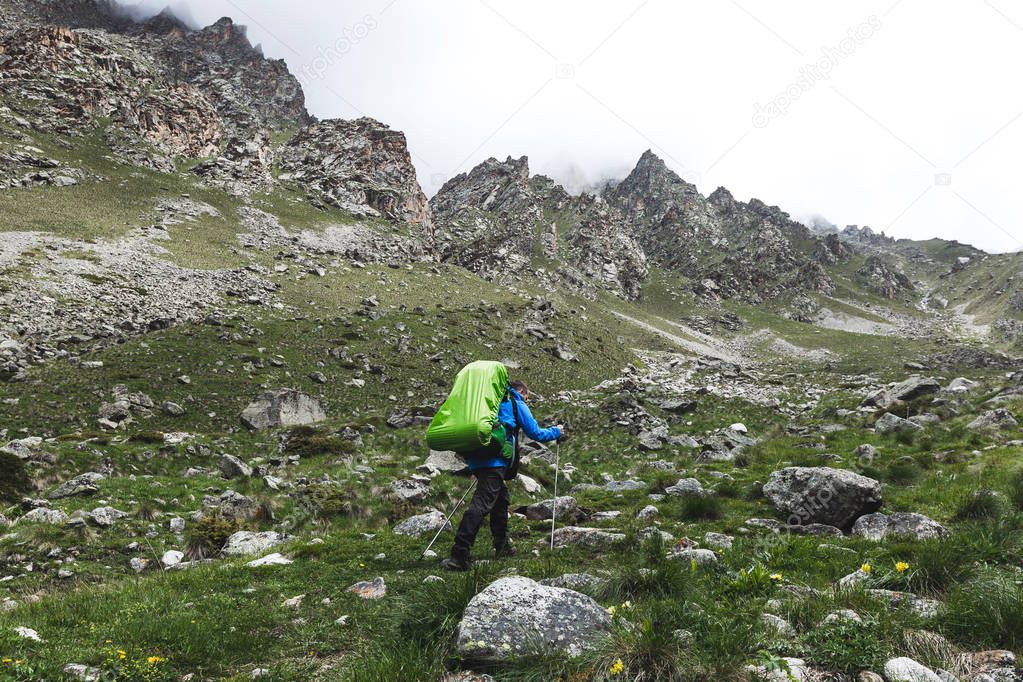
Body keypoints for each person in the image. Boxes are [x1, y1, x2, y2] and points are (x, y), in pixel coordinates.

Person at [441, 380, 563, 571]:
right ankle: (459, 554)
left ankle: (502, 545)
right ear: (521, 391)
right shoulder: (514, 401)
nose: (526, 400)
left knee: (501, 499)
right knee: (481, 504)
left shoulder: (489, 402)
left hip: (477, 459)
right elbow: (535, 433)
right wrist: (556, 431)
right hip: (496, 462)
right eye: (527, 397)